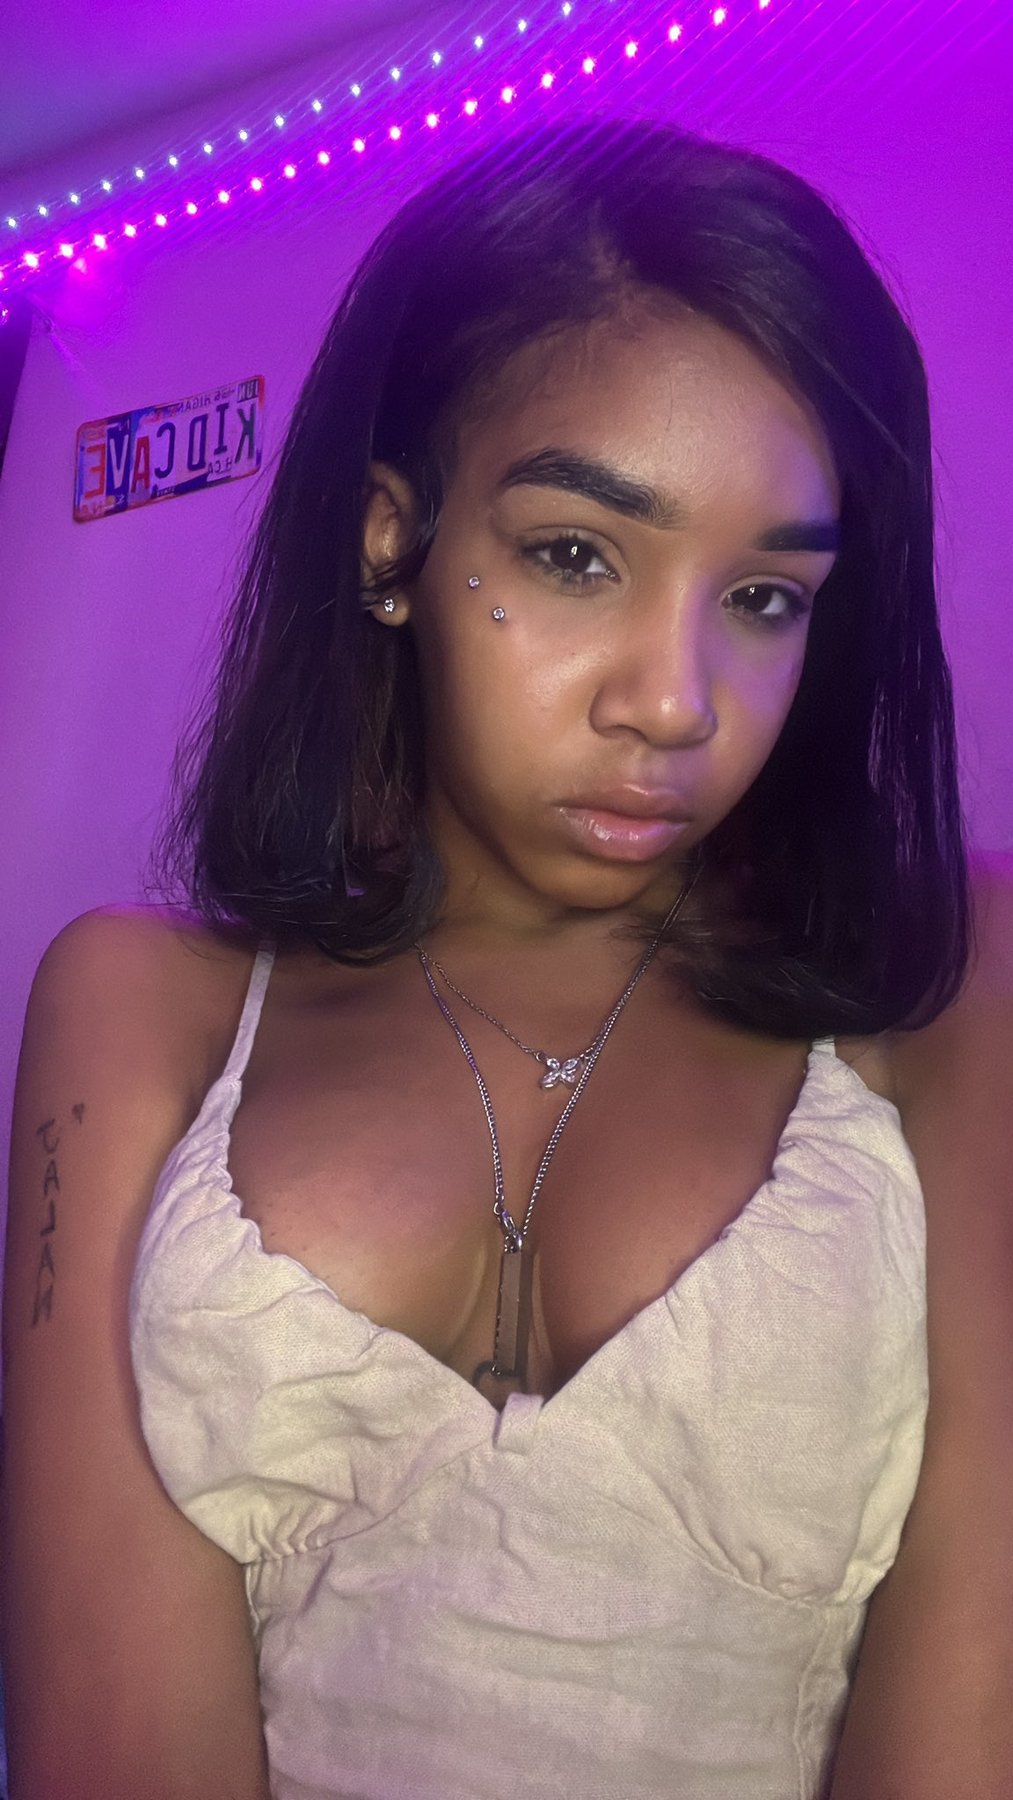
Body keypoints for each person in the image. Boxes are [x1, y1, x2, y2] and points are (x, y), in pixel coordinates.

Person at [2, 117, 1011, 1800]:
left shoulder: (951, 983)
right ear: (389, 542)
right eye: (575, 556)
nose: (673, 702)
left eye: (764, 598)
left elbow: (971, 1720)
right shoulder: (138, 1008)